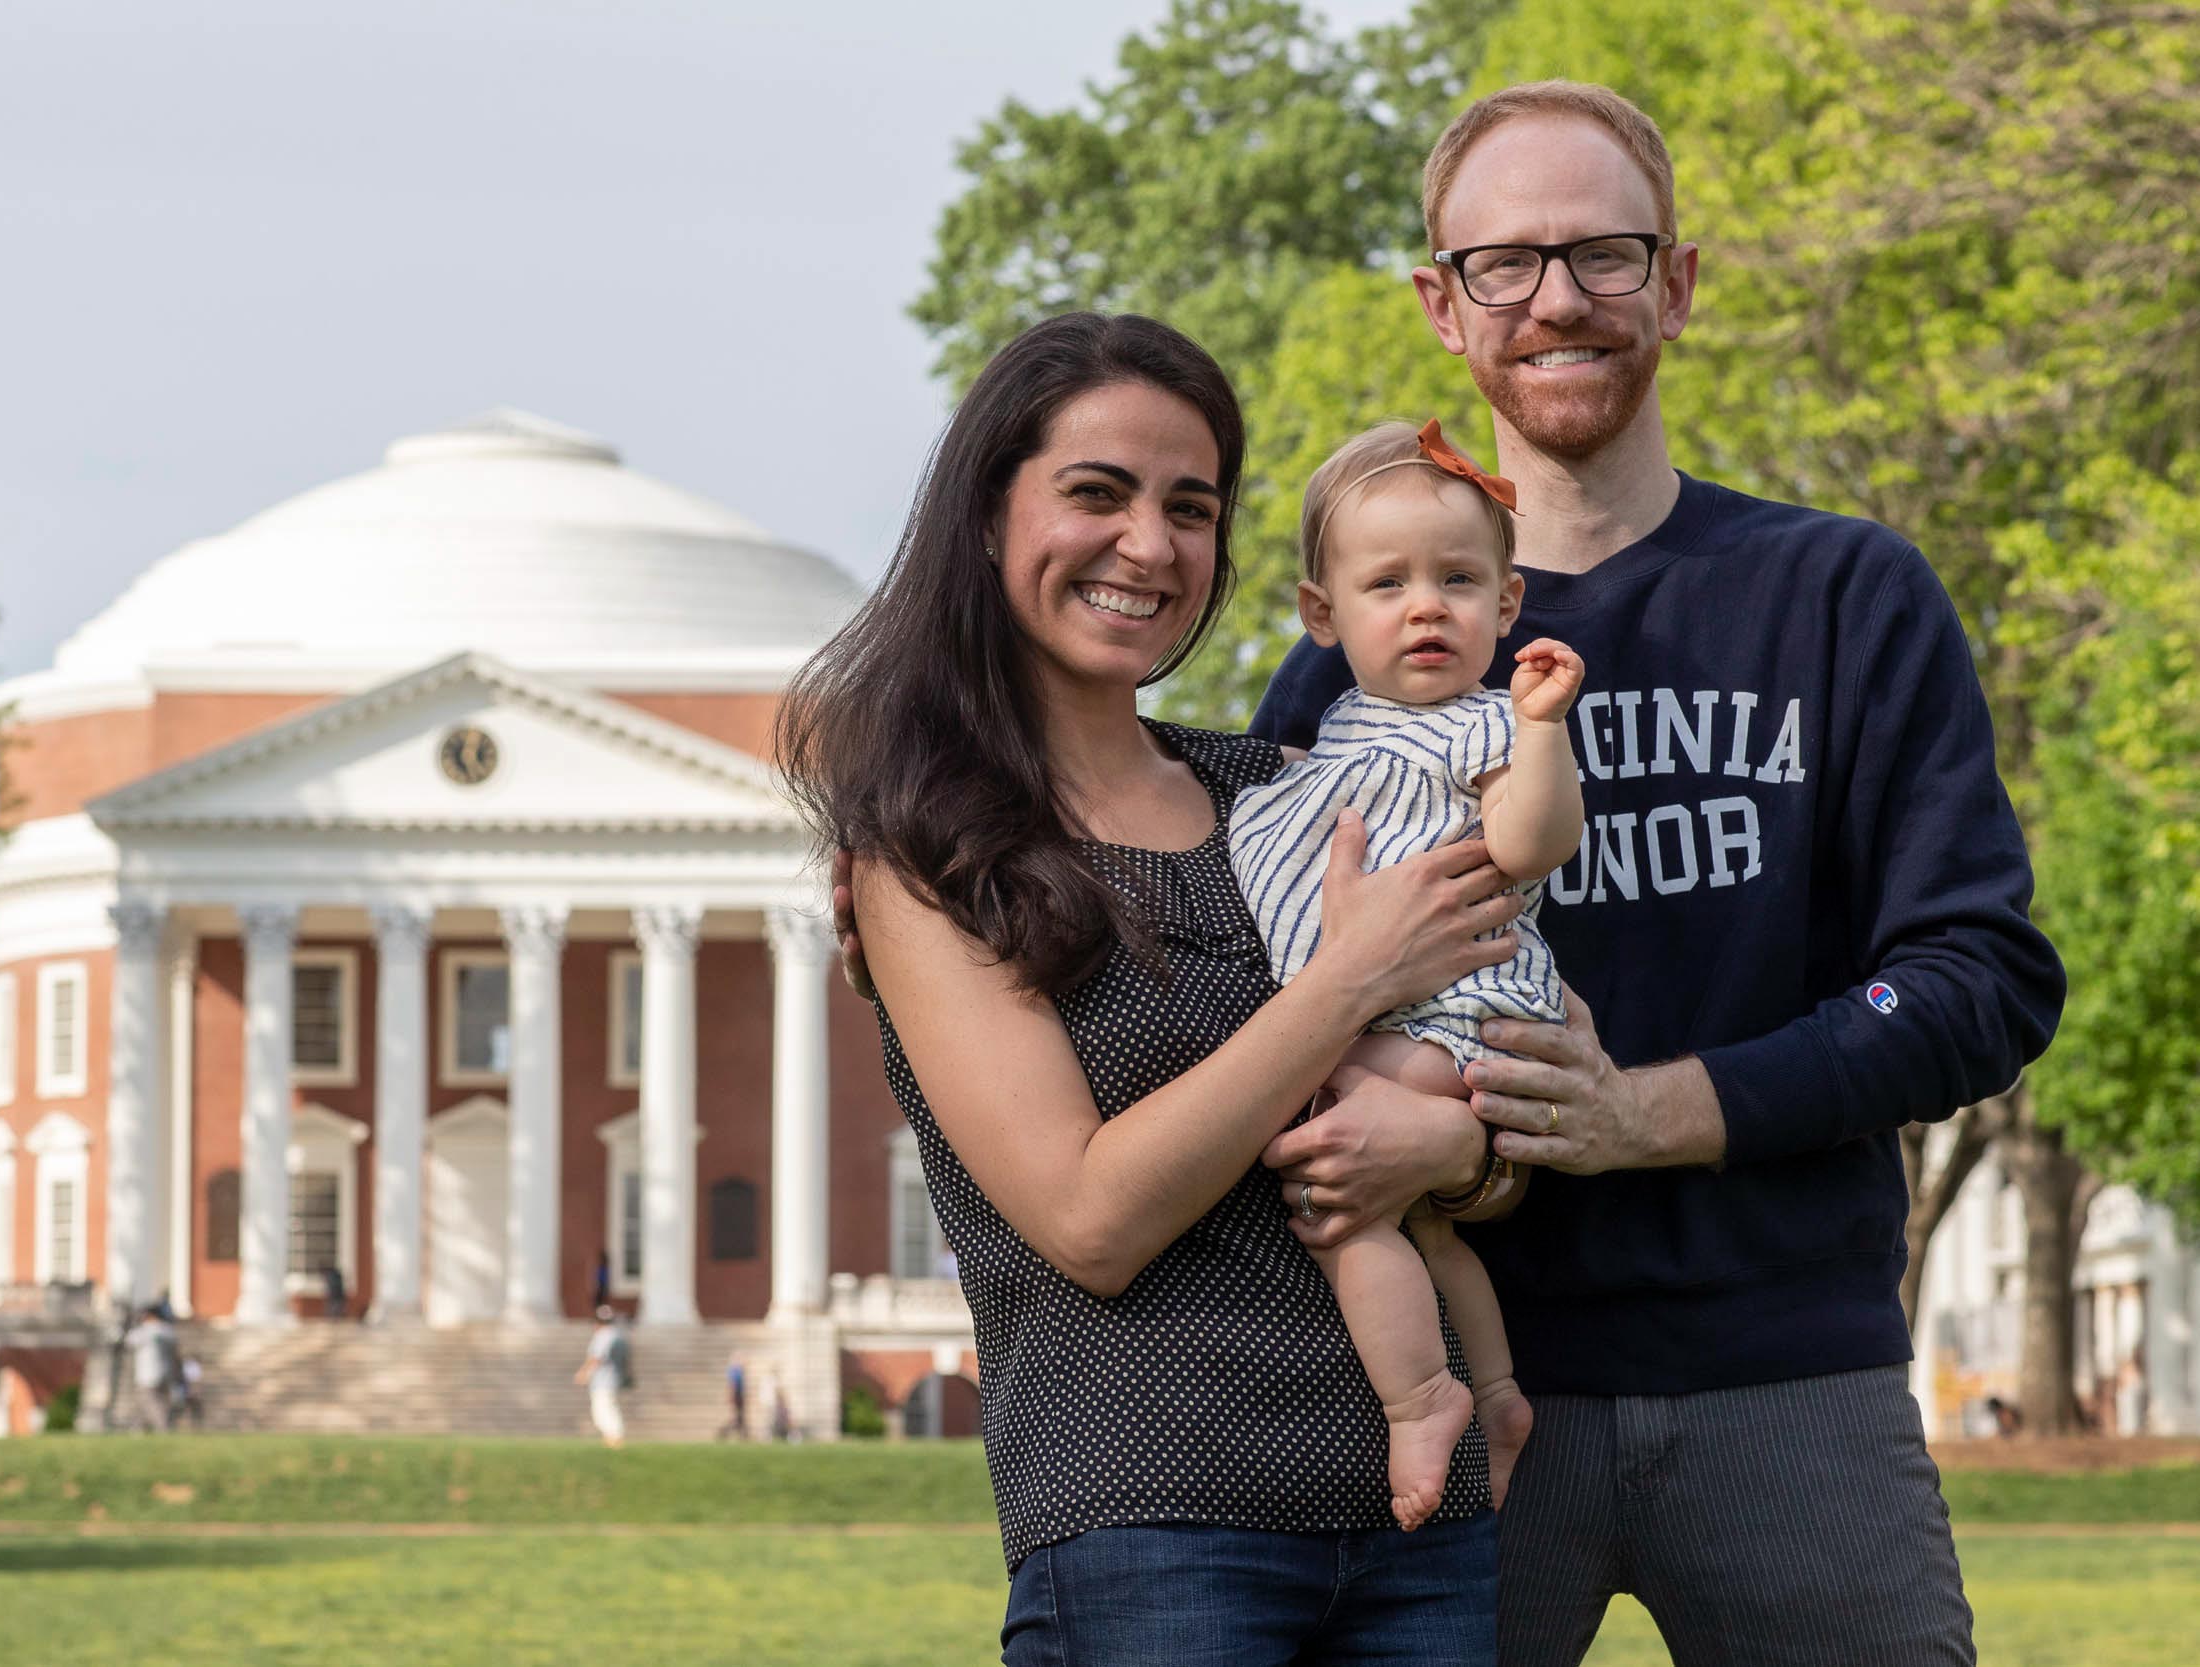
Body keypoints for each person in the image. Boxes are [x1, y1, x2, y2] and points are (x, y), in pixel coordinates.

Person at [1247, 82, 2066, 1664]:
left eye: (1604, 252)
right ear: (1441, 304)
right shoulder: (1347, 670)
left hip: (1787, 1378)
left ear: (1677, 283)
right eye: (1504, 264)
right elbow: (1252, 990)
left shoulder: (1844, 595)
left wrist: (1650, 1113)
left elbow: (1975, 979)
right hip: (1463, 1391)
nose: (1556, 297)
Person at [785, 311, 1525, 1664]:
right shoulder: (932, 854)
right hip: (1156, 1538)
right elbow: (1091, 1214)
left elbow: (1487, 1050)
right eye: (1095, 492)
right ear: (986, 517)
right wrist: (1348, 975)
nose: (1150, 542)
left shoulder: (1286, 792)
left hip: (1425, 1529)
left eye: (1191, 506)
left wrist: (1461, 1144)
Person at [1228, 417, 1581, 1526]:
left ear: (1507, 605)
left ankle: (1420, 1397)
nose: (1426, 604)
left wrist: (1542, 732)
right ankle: (1497, 1390)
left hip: (1458, 1014)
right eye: (1387, 582)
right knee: (1418, 1220)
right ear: (1321, 615)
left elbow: (1531, 845)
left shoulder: (1487, 726)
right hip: (1403, 1010)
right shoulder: (1336, 727)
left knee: (1334, 1187)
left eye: (1458, 579)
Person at [574, 1303, 629, 1449]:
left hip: (603, 1380)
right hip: (612, 1378)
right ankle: (613, 1437)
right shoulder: (616, 1335)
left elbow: (596, 1358)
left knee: (602, 1409)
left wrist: (583, 1373)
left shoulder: (603, 1336)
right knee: (608, 1407)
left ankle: (614, 1438)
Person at [124, 1305, 179, 1433]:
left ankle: (163, 1428)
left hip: (146, 1375)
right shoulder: (168, 1331)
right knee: (147, 1402)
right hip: (166, 1372)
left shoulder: (144, 1331)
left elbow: (129, 1341)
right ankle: (137, 1429)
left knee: (151, 1403)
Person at [718, 1352, 749, 1441]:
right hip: (736, 1396)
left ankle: (743, 1435)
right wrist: (731, 1397)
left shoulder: (739, 1370)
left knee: (740, 1417)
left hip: (739, 1395)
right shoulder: (734, 1370)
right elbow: (732, 1385)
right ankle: (724, 1432)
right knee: (737, 1417)